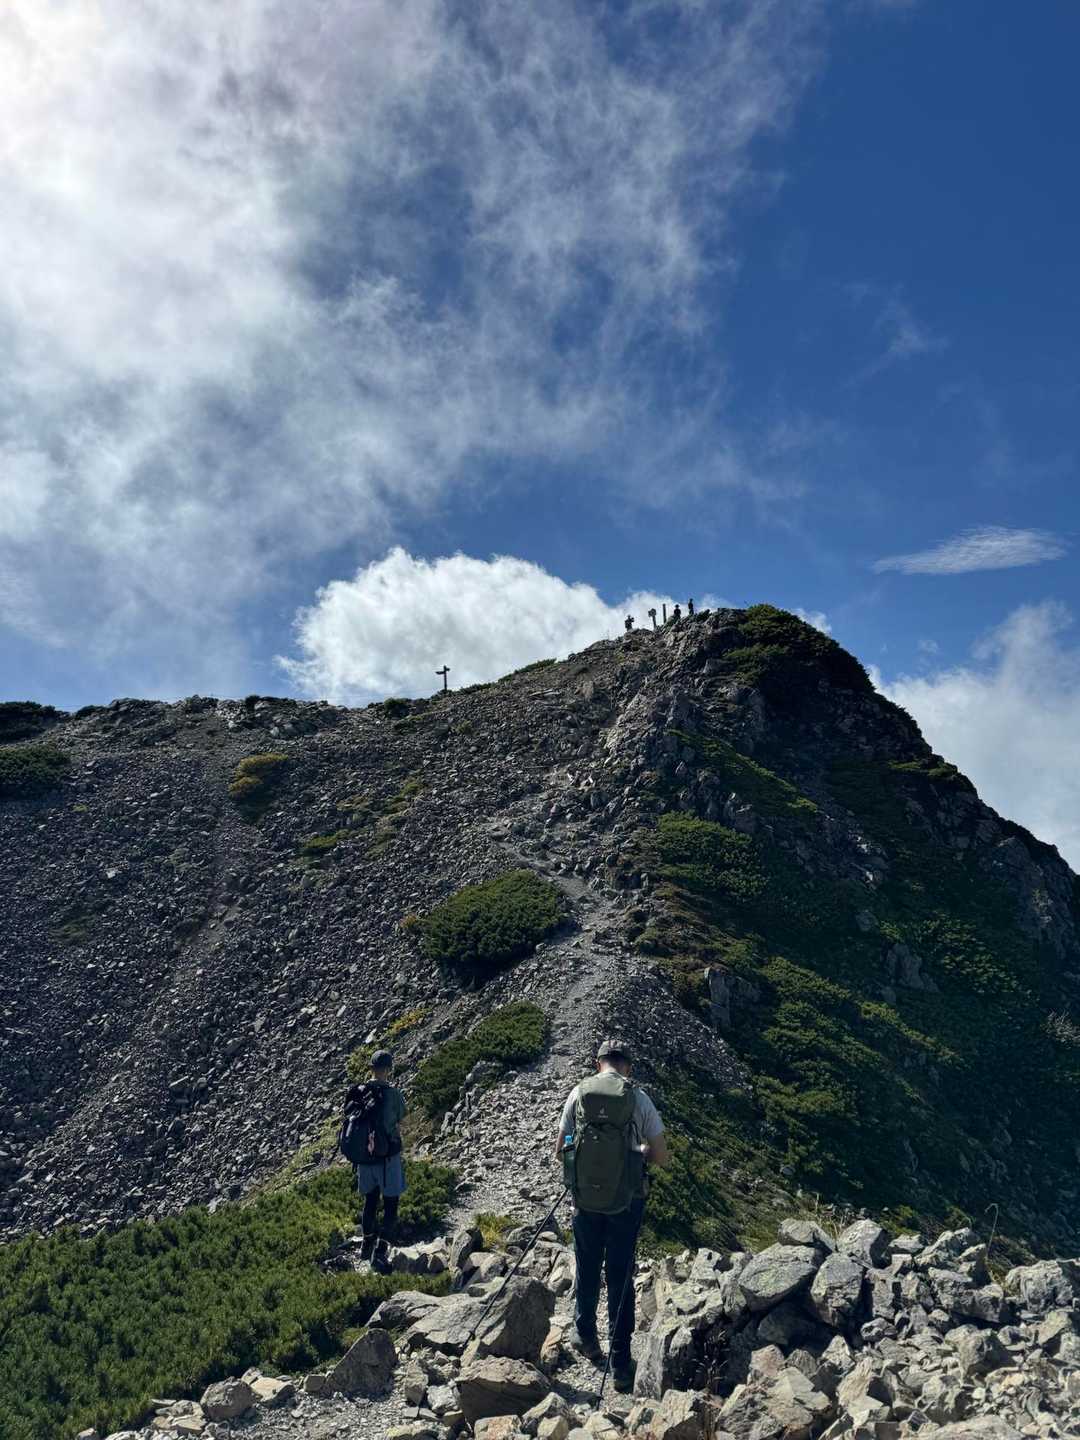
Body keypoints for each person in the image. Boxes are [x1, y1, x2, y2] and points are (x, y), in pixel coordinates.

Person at [555, 1039, 669, 1392]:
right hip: (626, 1203)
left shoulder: (578, 1094)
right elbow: (661, 1156)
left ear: (598, 1063)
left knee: (587, 1266)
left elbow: (561, 1150)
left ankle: (585, 1336)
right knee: (620, 1277)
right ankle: (620, 1364)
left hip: (584, 1201)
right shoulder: (639, 1099)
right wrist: (638, 1150)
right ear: (627, 1066)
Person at [353, 1048, 407, 1272]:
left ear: (371, 1069)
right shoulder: (393, 1094)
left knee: (370, 1201)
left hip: (365, 1159)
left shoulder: (359, 1091)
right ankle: (381, 1250)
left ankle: (366, 1244)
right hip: (387, 1159)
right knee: (391, 1204)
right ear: (388, 1069)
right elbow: (401, 1116)